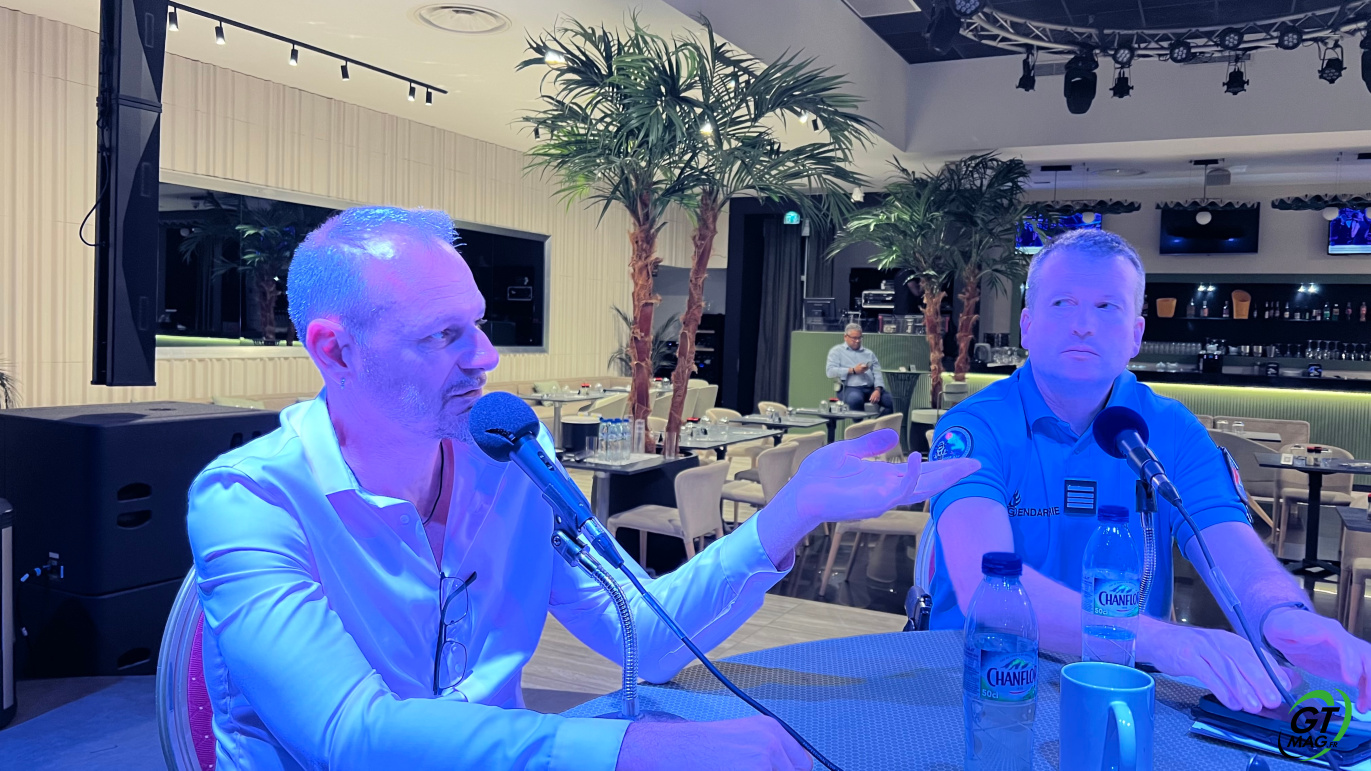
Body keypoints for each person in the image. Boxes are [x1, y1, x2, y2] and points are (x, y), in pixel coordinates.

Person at [186, 206, 977, 771]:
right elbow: (350, 735)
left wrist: (796, 507)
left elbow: (646, 633)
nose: (485, 357)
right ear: (336, 351)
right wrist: (633, 749)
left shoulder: (509, 460)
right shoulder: (248, 501)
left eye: (478, 323)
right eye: (444, 334)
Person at [927, 228, 1371, 716]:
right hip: (980, 681)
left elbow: (1228, 543)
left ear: (1136, 335)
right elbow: (985, 588)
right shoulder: (975, 427)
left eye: (1107, 307)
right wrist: (1162, 640)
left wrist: (1283, 614)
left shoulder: (1172, 429)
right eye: (1062, 304)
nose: (1083, 325)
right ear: (1027, 327)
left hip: (1124, 688)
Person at [825, 323, 893, 414]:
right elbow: (830, 371)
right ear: (845, 337)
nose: (857, 341)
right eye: (854, 338)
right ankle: (860, 423)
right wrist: (853, 370)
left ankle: (876, 423)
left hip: (871, 388)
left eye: (859, 338)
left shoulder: (869, 353)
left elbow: (877, 373)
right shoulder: (837, 352)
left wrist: (878, 390)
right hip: (850, 388)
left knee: (892, 401)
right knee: (855, 400)